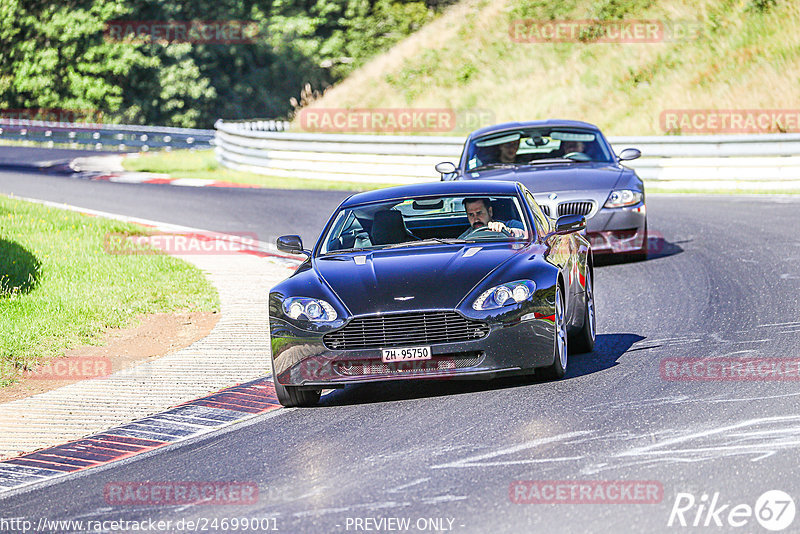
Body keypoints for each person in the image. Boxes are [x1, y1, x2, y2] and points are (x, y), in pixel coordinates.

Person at [459, 198, 525, 239]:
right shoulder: (465, 237)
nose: (476, 219)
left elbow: (531, 235)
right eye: (471, 214)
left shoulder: (512, 224)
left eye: (479, 213)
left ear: (490, 212)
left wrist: (508, 231)